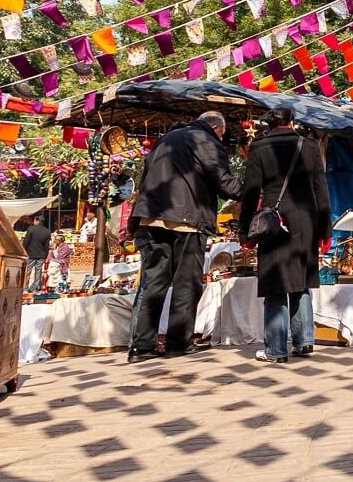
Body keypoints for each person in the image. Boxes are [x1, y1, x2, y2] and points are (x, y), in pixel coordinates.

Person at [127, 111, 242, 363]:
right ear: (216, 128)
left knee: (155, 283)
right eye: (222, 133)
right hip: (188, 220)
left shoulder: (165, 139)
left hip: (153, 217)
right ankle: (178, 343)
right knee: (186, 282)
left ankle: (141, 347)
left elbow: (145, 178)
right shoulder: (207, 141)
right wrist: (249, 192)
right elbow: (221, 180)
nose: (222, 137)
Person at [239, 108, 331, 364]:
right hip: (306, 219)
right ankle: (304, 341)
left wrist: (244, 229)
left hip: (273, 221)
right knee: (301, 280)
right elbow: (321, 189)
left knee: (275, 282)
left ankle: (276, 349)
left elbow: (250, 191)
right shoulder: (309, 145)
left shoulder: (259, 147)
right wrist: (326, 229)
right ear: (291, 122)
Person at [22, 216, 51, 293]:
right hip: (41, 255)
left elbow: (26, 242)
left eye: (34, 220)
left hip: (30, 254)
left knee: (27, 272)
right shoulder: (47, 231)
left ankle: (25, 288)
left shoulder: (31, 229)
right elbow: (46, 246)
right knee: (38, 272)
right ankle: (34, 288)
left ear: (37, 221)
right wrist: (45, 255)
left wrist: (23, 251)